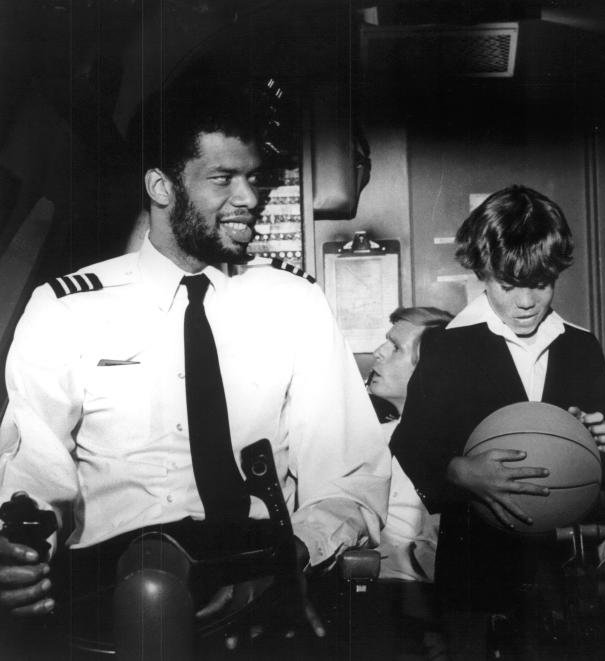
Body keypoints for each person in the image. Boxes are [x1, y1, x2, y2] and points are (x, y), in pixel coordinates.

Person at [0, 77, 390, 656]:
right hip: (110, 581)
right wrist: (22, 552)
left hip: (258, 572)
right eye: (222, 179)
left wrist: (298, 550)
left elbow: (349, 471)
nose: (250, 198)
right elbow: (35, 463)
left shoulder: (294, 304)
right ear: (161, 186)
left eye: (253, 178)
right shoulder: (67, 309)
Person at [391, 185, 605, 659]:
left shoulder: (581, 347)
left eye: (539, 283)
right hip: (476, 568)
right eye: (508, 284)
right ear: (482, 274)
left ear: (557, 273)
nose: (525, 301)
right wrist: (459, 471)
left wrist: (604, 447)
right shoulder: (448, 347)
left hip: (563, 567)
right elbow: (412, 442)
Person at [366, 306, 453, 660]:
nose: (378, 352)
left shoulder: (454, 450)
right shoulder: (373, 438)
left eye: (395, 347)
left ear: (429, 373)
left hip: (412, 614)